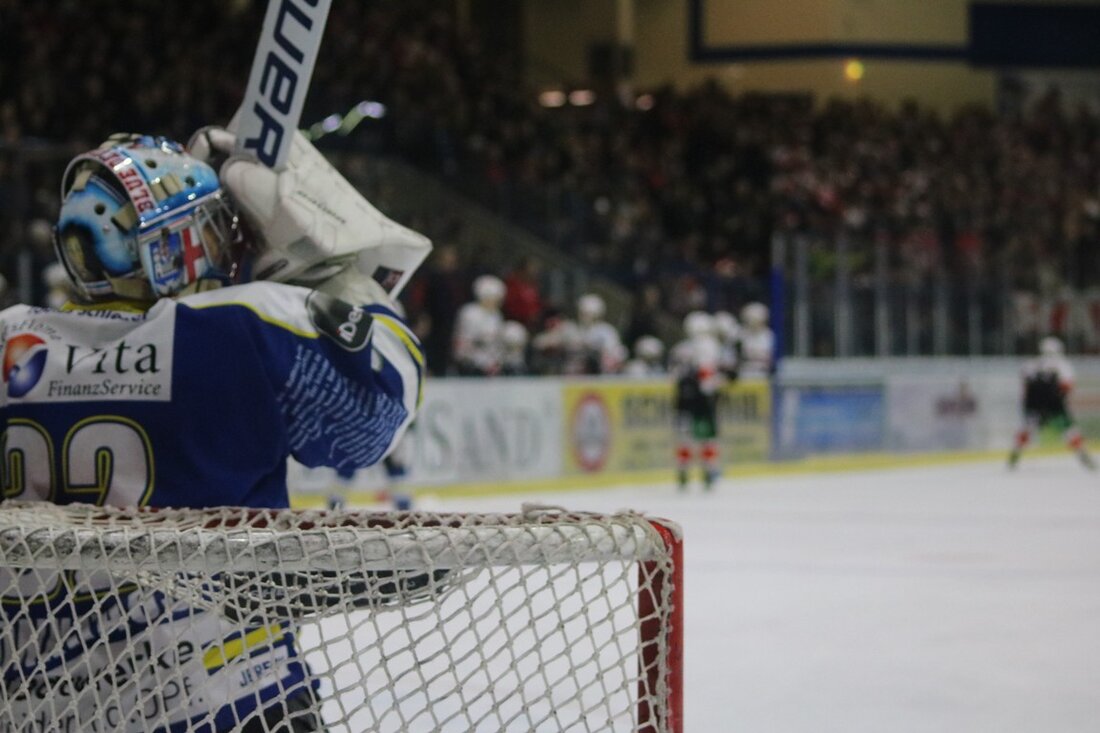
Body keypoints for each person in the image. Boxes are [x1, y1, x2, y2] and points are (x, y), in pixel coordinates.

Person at [0, 131, 430, 732]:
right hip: (224, 700)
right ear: (170, 244)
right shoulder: (235, 327)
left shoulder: (9, 339)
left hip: (37, 707)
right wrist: (330, 269)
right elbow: (380, 407)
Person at [1007, 336, 1096, 471]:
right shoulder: (1063, 364)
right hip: (1054, 404)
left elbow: (1025, 387)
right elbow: (1067, 386)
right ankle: (1082, 454)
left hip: (1033, 404)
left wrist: (1031, 405)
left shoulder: (1031, 364)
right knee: (1069, 430)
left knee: (1026, 429)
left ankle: (1015, 454)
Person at [670, 311, 724, 490]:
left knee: (685, 436)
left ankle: (683, 470)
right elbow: (707, 379)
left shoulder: (680, 348)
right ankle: (709, 470)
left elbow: (674, 375)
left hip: (684, 399)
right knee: (707, 437)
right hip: (702, 400)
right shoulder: (710, 347)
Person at [453, 274, 505, 375]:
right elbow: (464, 342)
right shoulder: (469, 312)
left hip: (491, 364)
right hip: (471, 364)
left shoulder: (496, 315)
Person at [575, 292, 626, 374]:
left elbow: (614, 353)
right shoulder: (578, 329)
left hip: (602, 373)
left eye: (586, 314)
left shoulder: (606, 331)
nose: (583, 317)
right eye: (582, 313)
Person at [738, 301, 775, 378]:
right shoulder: (741, 334)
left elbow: (770, 358)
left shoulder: (769, 335)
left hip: (763, 375)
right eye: (750, 318)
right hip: (744, 374)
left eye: (755, 319)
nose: (752, 322)